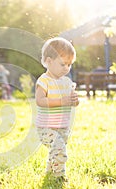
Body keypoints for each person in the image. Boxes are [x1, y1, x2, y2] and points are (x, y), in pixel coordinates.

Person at [35, 37, 79, 180]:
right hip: (46, 127)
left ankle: (50, 173)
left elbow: (70, 102)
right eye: (63, 64)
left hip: (62, 127)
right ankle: (59, 176)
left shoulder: (66, 82)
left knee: (57, 150)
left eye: (69, 64)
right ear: (49, 61)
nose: (66, 68)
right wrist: (62, 101)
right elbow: (40, 101)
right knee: (59, 149)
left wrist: (74, 101)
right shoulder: (44, 81)